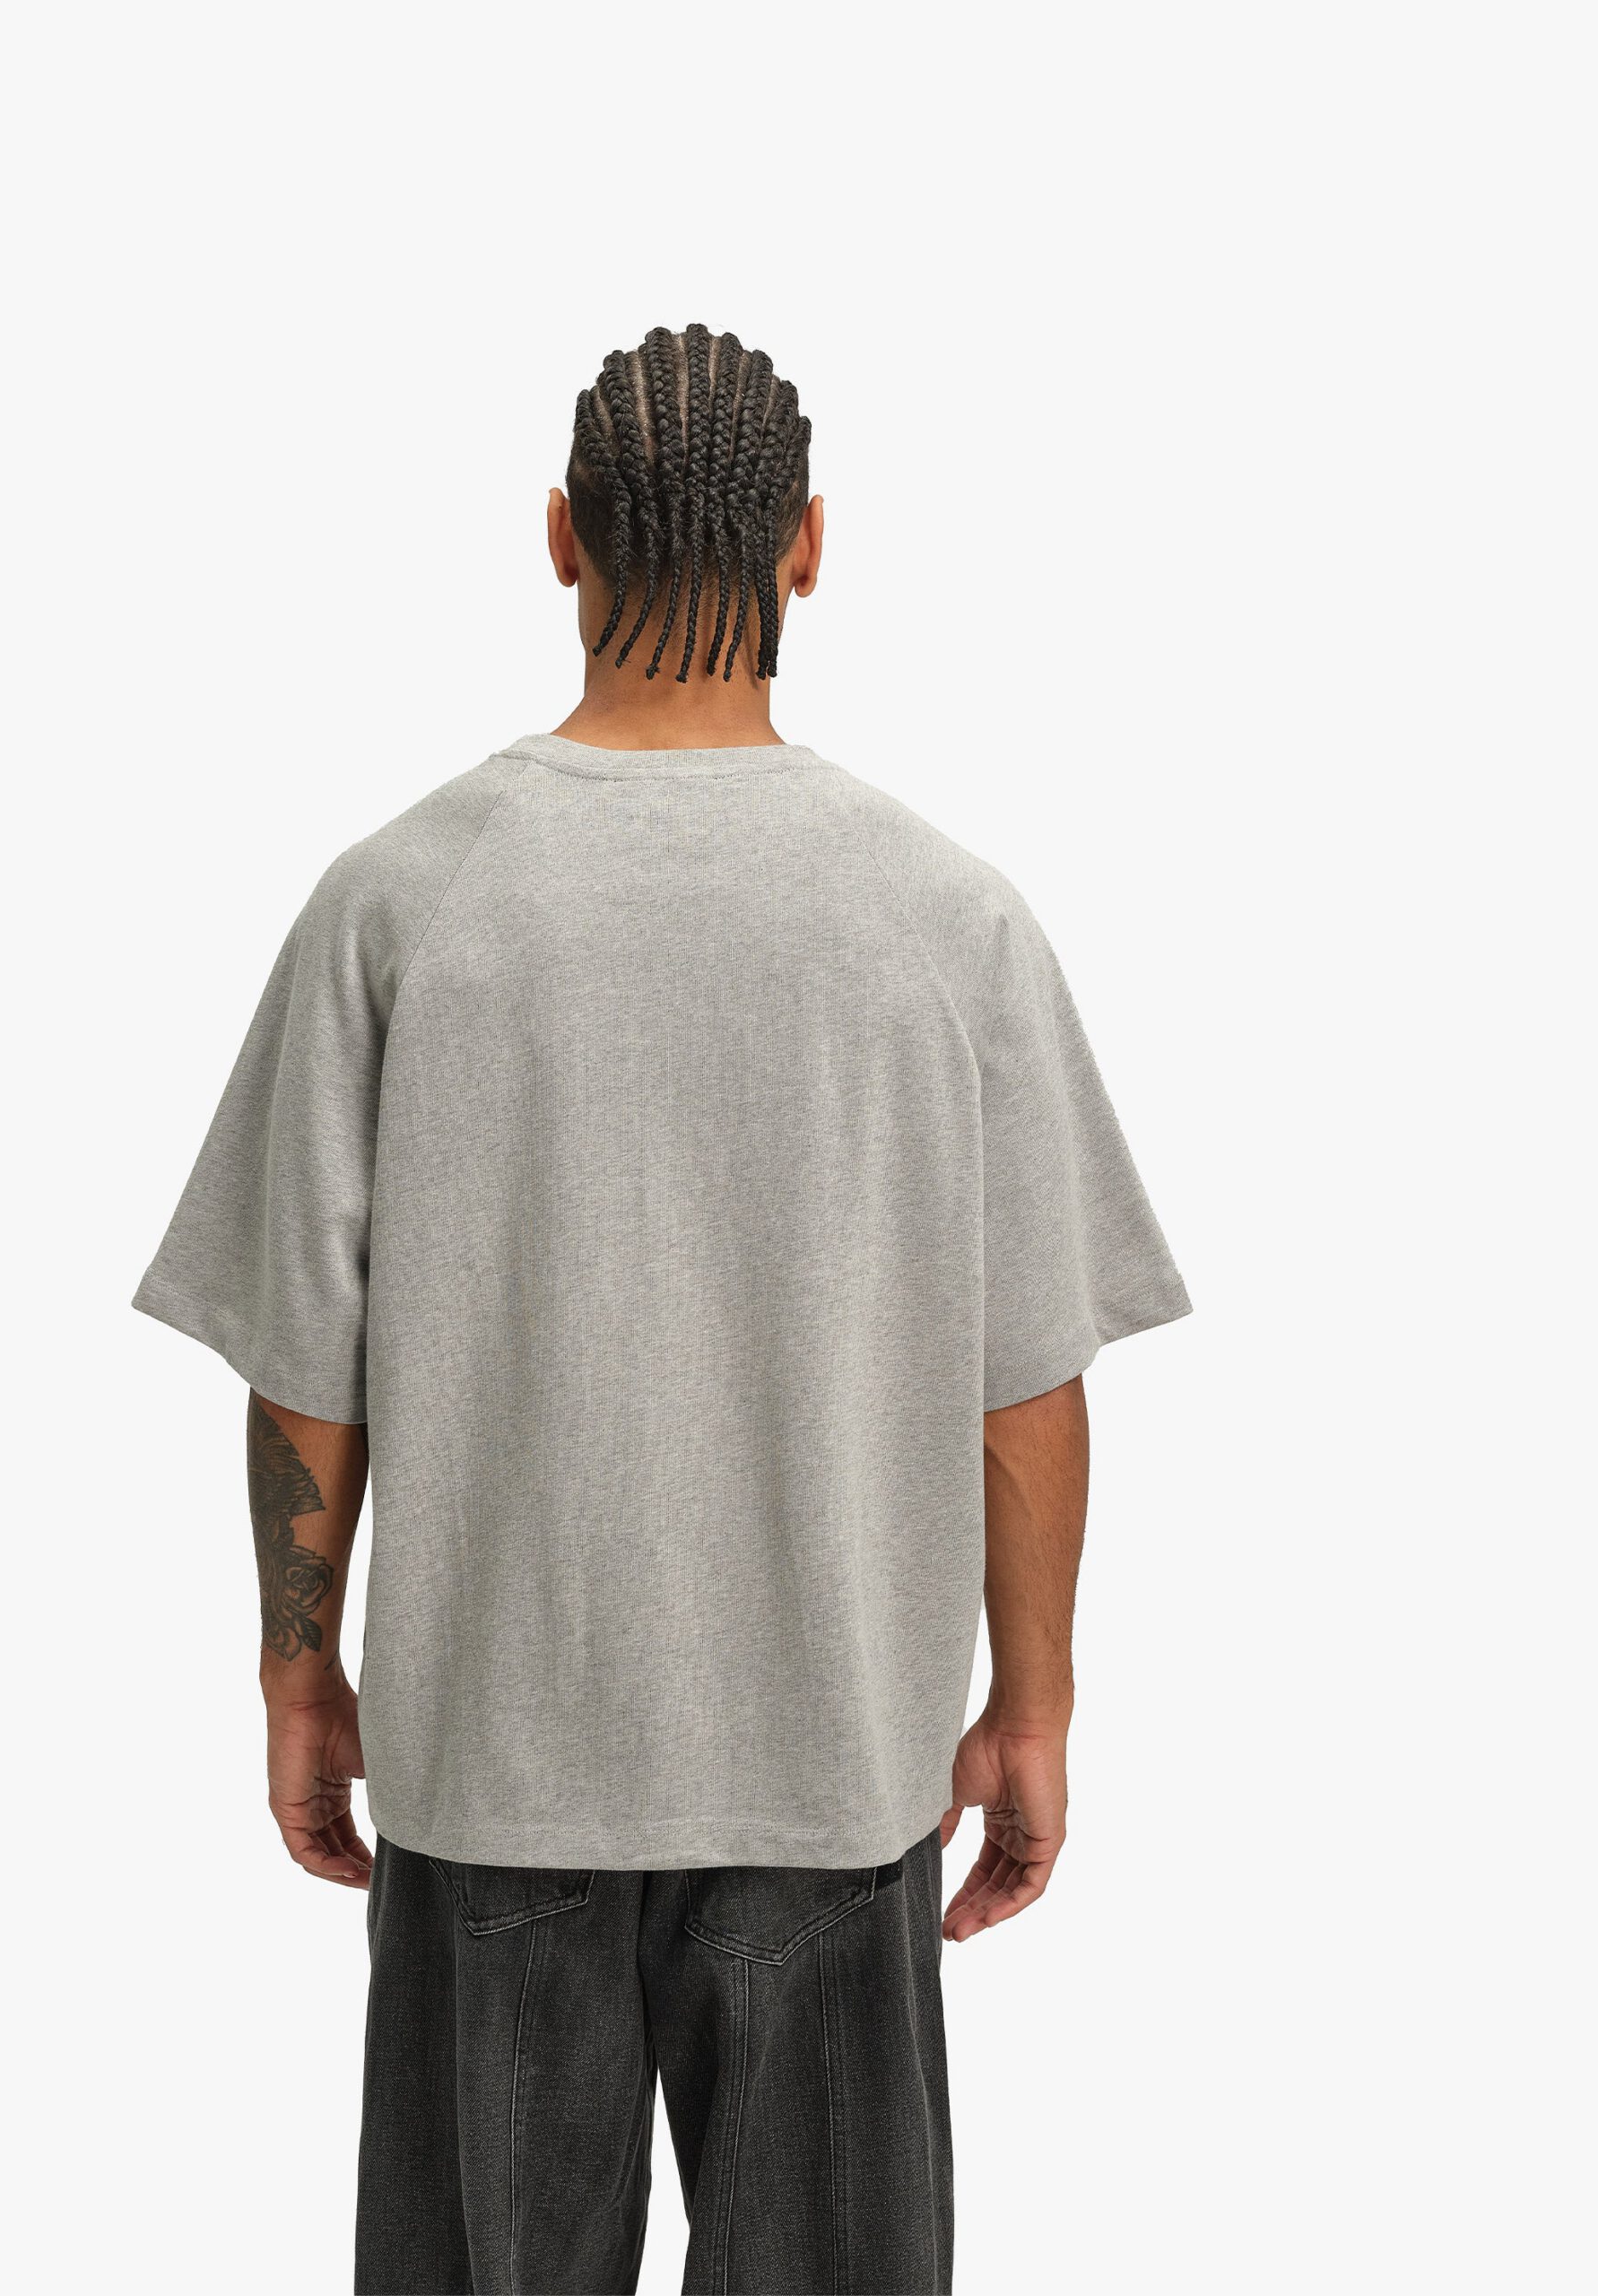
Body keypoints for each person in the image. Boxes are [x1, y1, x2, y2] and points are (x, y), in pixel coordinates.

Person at [134, 322, 1190, 2295]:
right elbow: (1024, 1381)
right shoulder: (945, 918)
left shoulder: (400, 899)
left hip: (492, 1776)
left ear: (559, 536)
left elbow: (305, 1367)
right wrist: (1033, 1707)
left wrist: (297, 1674)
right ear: (812, 548)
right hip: (834, 1775)